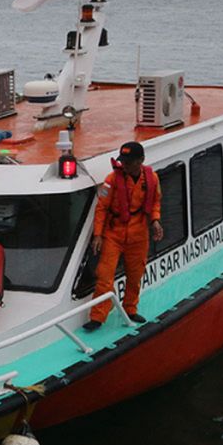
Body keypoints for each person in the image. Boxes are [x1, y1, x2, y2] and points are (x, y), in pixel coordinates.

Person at [83, 141, 164, 331]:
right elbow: (101, 208)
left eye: (129, 162)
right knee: (104, 275)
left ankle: (130, 309)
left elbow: (155, 203)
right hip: (114, 234)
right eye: (123, 162)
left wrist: (155, 220)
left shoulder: (152, 179)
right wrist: (98, 235)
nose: (125, 166)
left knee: (135, 276)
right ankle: (98, 316)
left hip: (139, 235)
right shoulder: (111, 181)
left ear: (140, 161)